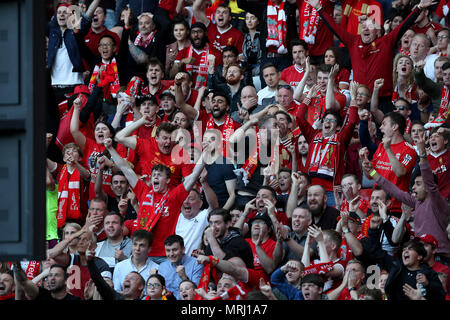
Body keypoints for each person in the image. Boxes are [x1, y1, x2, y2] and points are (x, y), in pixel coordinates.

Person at [305, 0, 436, 113]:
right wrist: (319, 8)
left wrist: (419, 8)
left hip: (383, 99)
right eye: (364, 27)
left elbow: (404, 26)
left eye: (370, 27)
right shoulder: (352, 41)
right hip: (360, 99)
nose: (366, 29)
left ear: (377, 31)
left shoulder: (386, 41)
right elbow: (334, 28)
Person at [105, 135, 206, 262]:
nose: (155, 178)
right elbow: (125, 169)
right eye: (153, 176)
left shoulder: (175, 195)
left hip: (165, 255)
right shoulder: (143, 191)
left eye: (159, 175)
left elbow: (194, 175)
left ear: (168, 180)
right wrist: (110, 149)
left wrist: (205, 153)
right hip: (142, 253)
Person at [361, 132, 450, 259]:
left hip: (440, 256)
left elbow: (429, 181)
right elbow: (391, 189)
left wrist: (422, 152)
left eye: (418, 184)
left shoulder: (437, 201)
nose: (413, 187)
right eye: (414, 184)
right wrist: (372, 171)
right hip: (421, 258)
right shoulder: (415, 202)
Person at [296, 81, 359, 207]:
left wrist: (353, 98)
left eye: (332, 120)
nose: (327, 122)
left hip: (332, 191)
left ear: (337, 127)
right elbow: (299, 117)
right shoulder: (313, 135)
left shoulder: (341, 138)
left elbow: (352, 122)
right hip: (311, 189)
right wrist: (308, 98)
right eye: (326, 119)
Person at [360, 220, 446, 300]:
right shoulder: (395, 266)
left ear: (419, 257)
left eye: (410, 249)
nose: (406, 251)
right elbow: (376, 252)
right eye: (404, 249)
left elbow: (441, 296)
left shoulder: (429, 274)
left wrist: (428, 284)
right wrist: (373, 230)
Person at [360, 112, 417, 216]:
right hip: (375, 205)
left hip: (394, 207)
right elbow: (370, 176)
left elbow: (400, 172)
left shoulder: (408, 150)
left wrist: (388, 149)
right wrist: (365, 164)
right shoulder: (381, 146)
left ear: (395, 127)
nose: (380, 128)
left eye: (384, 124)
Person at [157, 235, 204, 299]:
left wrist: (184, 278)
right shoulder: (162, 266)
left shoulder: (196, 264)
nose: (171, 254)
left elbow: (198, 292)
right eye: (168, 250)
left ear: (183, 249)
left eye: (174, 250)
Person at [175, 187, 218, 256]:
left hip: (196, 261)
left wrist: (204, 183)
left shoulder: (204, 215)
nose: (186, 201)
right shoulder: (176, 216)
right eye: (184, 199)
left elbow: (214, 205)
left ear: (200, 203)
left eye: (191, 199)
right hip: (176, 261)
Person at [12, 263, 81, 300]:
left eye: (57, 275)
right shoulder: (41, 294)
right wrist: (16, 266)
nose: (52, 278)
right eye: (50, 275)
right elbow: (24, 282)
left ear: (66, 280)